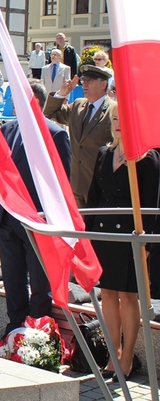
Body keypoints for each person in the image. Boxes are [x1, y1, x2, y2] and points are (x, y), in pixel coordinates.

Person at [0, 80, 71, 350]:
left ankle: (37, 335)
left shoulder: (55, 133)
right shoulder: (7, 129)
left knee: (38, 280)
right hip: (7, 216)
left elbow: (62, 181)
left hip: (37, 220)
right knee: (12, 277)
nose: (12, 104)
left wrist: (52, 218)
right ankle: (13, 331)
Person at [85, 102, 160, 380]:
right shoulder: (105, 153)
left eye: (123, 119)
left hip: (130, 235)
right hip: (104, 234)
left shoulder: (147, 158)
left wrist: (146, 245)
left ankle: (127, 357)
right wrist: (88, 236)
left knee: (128, 296)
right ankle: (112, 353)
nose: (118, 123)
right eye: (115, 118)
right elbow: (93, 198)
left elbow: (152, 205)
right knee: (107, 294)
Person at [44, 64, 114, 207]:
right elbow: (49, 114)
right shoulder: (78, 105)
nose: (85, 84)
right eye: (84, 80)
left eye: (90, 80)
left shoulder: (113, 110)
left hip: (98, 184)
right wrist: (61, 94)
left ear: (104, 84)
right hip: (76, 182)